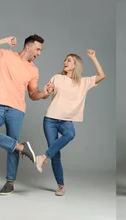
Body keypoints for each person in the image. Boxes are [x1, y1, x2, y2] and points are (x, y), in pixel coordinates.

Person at [0, 34, 53, 195]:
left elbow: (33, 94)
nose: (39, 53)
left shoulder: (33, 69)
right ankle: (22, 147)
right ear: (28, 47)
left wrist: (44, 93)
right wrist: (5, 40)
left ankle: (10, 183)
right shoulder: (5, 55)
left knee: (11, 148)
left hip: (17, 110)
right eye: (38, 49)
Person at [35, 49, 107, 196]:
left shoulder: (83, 82)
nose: (65, 62)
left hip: (66, 120)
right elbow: (45, 95)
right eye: (64, 60)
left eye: (68, 60)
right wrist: (47, 91)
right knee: (56, 154)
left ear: (76, 65)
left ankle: (43, 157)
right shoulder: (57, 77)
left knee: (70, 133)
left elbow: (102, 75)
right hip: (50, 119)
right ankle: (61, 185)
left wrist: (93, 57)